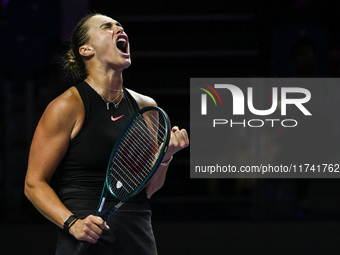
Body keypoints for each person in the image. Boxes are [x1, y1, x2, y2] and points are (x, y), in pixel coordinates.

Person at [24, 13, 189, 255]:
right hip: (84, 234)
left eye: (120, 26)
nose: (118, 29)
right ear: (86, 50)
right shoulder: (68, 106)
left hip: (137, 234)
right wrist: (72, 223)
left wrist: (166, 157)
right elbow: (33, 184)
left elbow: (147, 189)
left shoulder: (146, 107)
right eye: (107, 27)